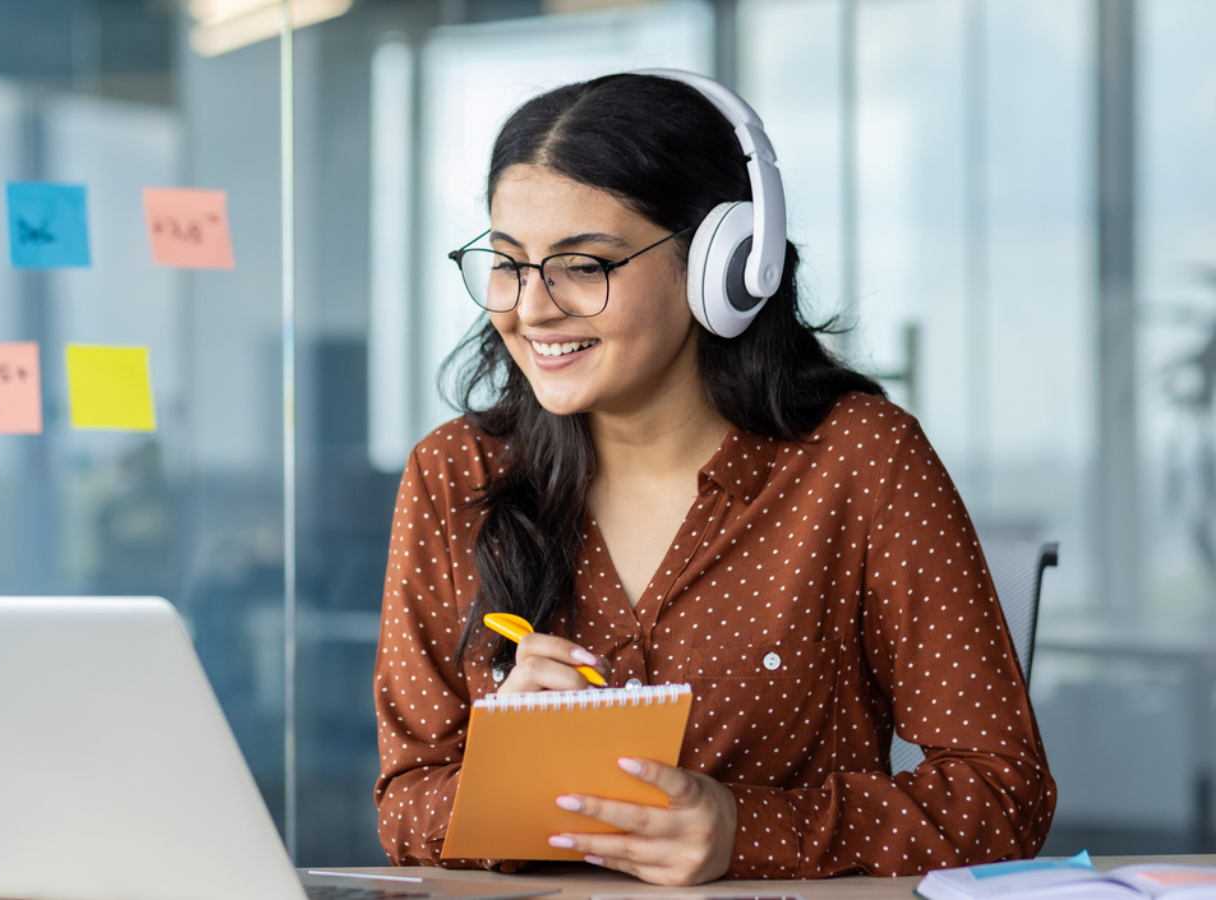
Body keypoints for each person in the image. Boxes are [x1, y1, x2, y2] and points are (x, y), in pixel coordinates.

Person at [372, 71, 1056, 885]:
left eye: (582, 266)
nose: (531, 307)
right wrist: (511, 781)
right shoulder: (457, 473)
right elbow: (405, 802)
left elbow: (1002, 793)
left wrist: (745, 830)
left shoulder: (859, 462)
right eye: (508, 264)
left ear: (722, 266)